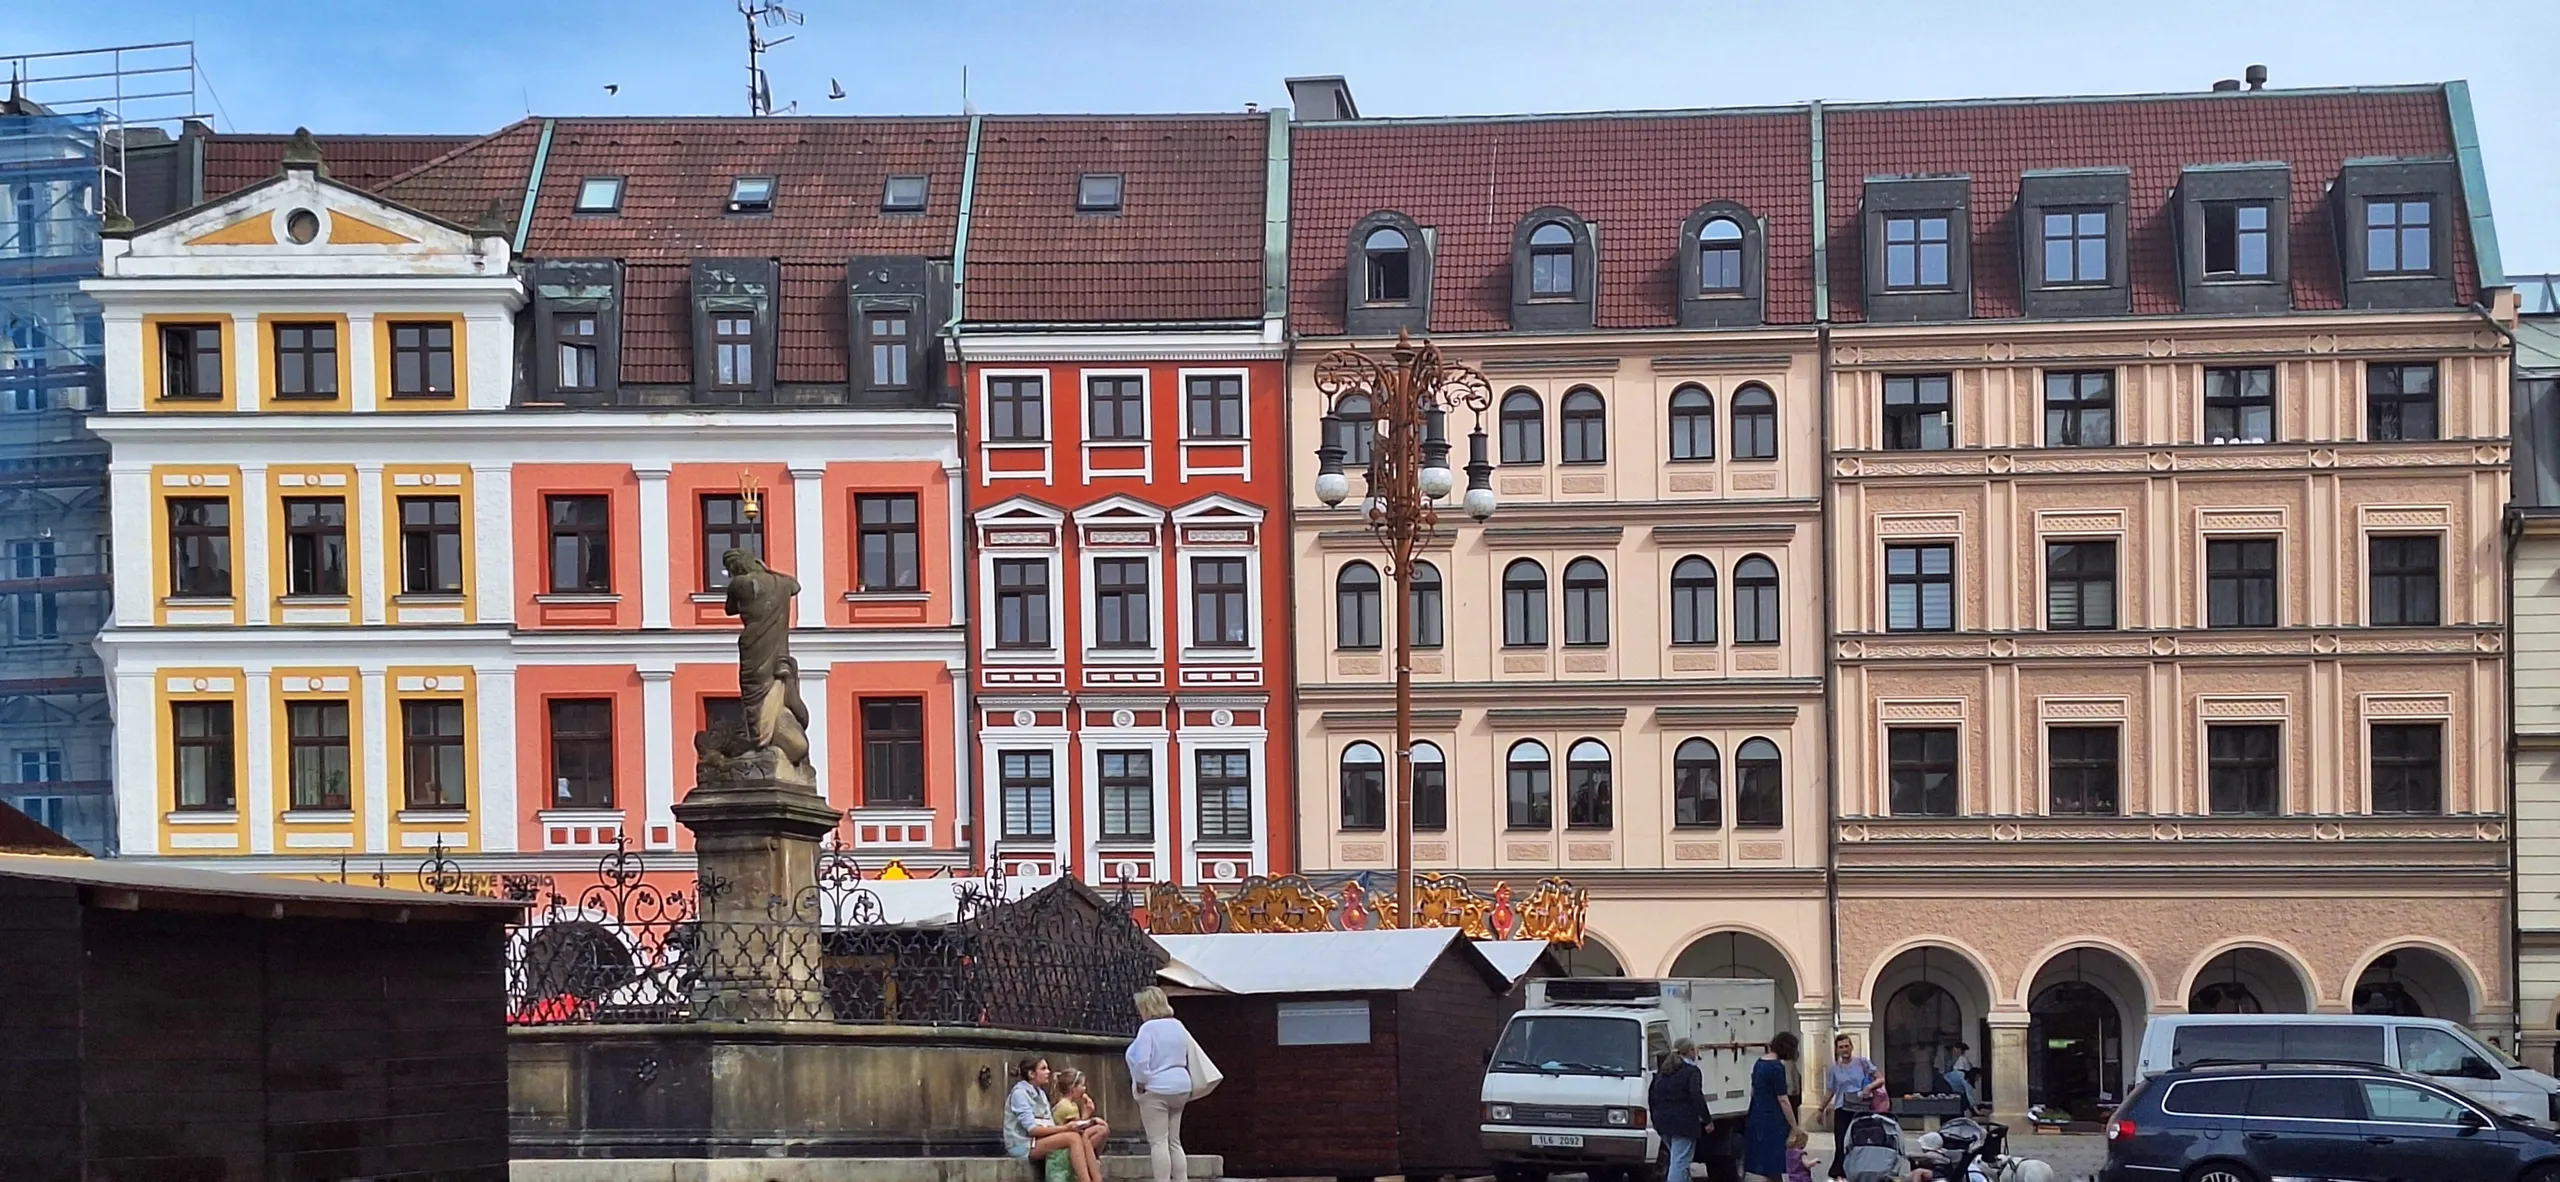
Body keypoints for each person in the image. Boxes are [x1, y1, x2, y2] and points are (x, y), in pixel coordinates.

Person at [1126, 987, 1196, 1182]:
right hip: (1181, 1086)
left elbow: (1142, 1061)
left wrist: (1141, 1082)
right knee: (1175, 1141)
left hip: (1157, 1088)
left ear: (1147, 1007)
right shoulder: (1178, 1025)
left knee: (1158, 1142)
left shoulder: (1148, 1029)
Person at [1003, 1057, 1099, 1182]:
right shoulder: (1019, 1094)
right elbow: (1032, 1130)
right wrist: (1065, 1128)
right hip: (1022, 1145)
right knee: (1072, 1138)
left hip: (1039, 1140)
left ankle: (1097, 1179)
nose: (1048, 1072)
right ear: (1032, 1074)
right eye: (1043, 1069)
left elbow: (1049, 1124)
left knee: (1082, 1135)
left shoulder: (1041, 1094)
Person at [1649, 1038, 1710, 1180]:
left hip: (1662, 1122)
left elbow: (1652, 1096)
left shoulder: (1662, 1072)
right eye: (1695, 1049)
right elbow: (1696, 1095)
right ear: (1690, 1051)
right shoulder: (1692, 1071)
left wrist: (1655, 1118)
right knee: (1680, 1162)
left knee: (1679, 1160)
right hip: (1684, 1124)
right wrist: (1707, 1119)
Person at [1743, 1032, 1799, 1182]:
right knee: (1775, 1161)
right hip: (1773, 1118)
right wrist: (1794, 1125)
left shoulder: (1759, 1063)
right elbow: (1783, 1099)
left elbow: (1754, 1090)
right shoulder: (1776, 1068)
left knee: (1763, 1159)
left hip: (1757, 1113)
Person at [1821, 1034, 1883, 1133]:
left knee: (1860, 1139)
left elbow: (1880, 1079)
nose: (1844, 1049)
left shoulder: (1862, 1062)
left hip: (1861, 1107)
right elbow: (1830, 1091)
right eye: (1841, 1047)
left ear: (1851, 1047)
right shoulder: (1834, 1069)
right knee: (1841, 1140)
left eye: (1846, 1046)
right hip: (1842, 1108)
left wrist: (1869, 1087)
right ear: (1837, 1050)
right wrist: (1821, 1109)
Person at [1944, 1042, 1981, 1116]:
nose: (1954, 1052)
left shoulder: (1962, 1060)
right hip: (1951, 1084)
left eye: (1955, 1050)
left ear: (1959, 1050)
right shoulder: (1962, 1061)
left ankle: (1971, 1111)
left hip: (1955, 1083)